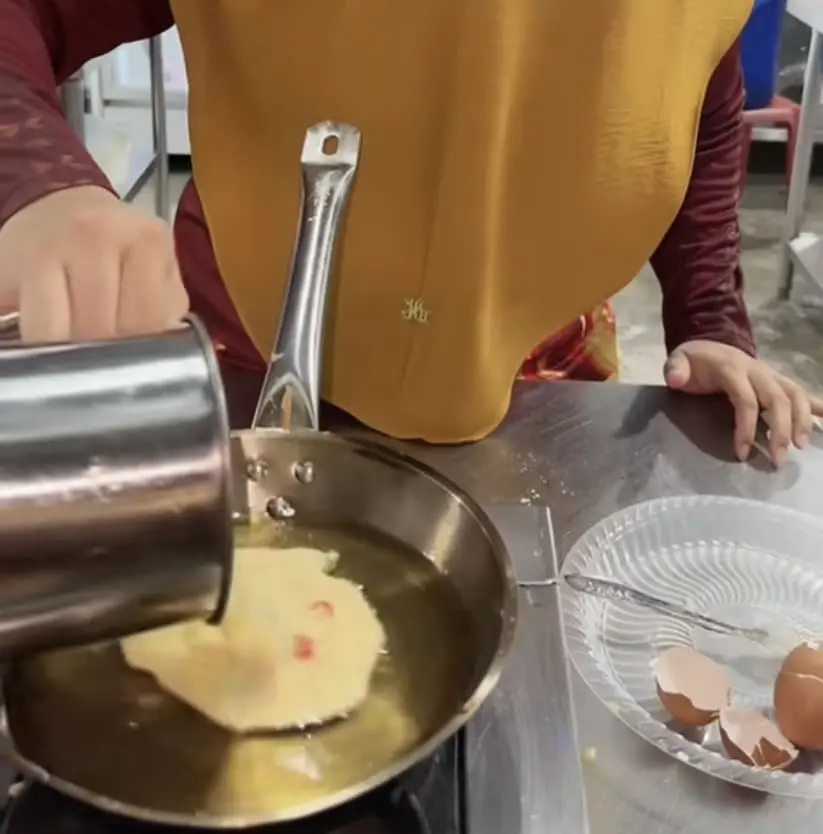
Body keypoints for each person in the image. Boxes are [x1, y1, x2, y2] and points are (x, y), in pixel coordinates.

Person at [0, 0, 820, 462]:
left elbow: (696, 88)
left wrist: (709, 319)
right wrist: (40, 182)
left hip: (540, 346)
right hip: (252, 331)